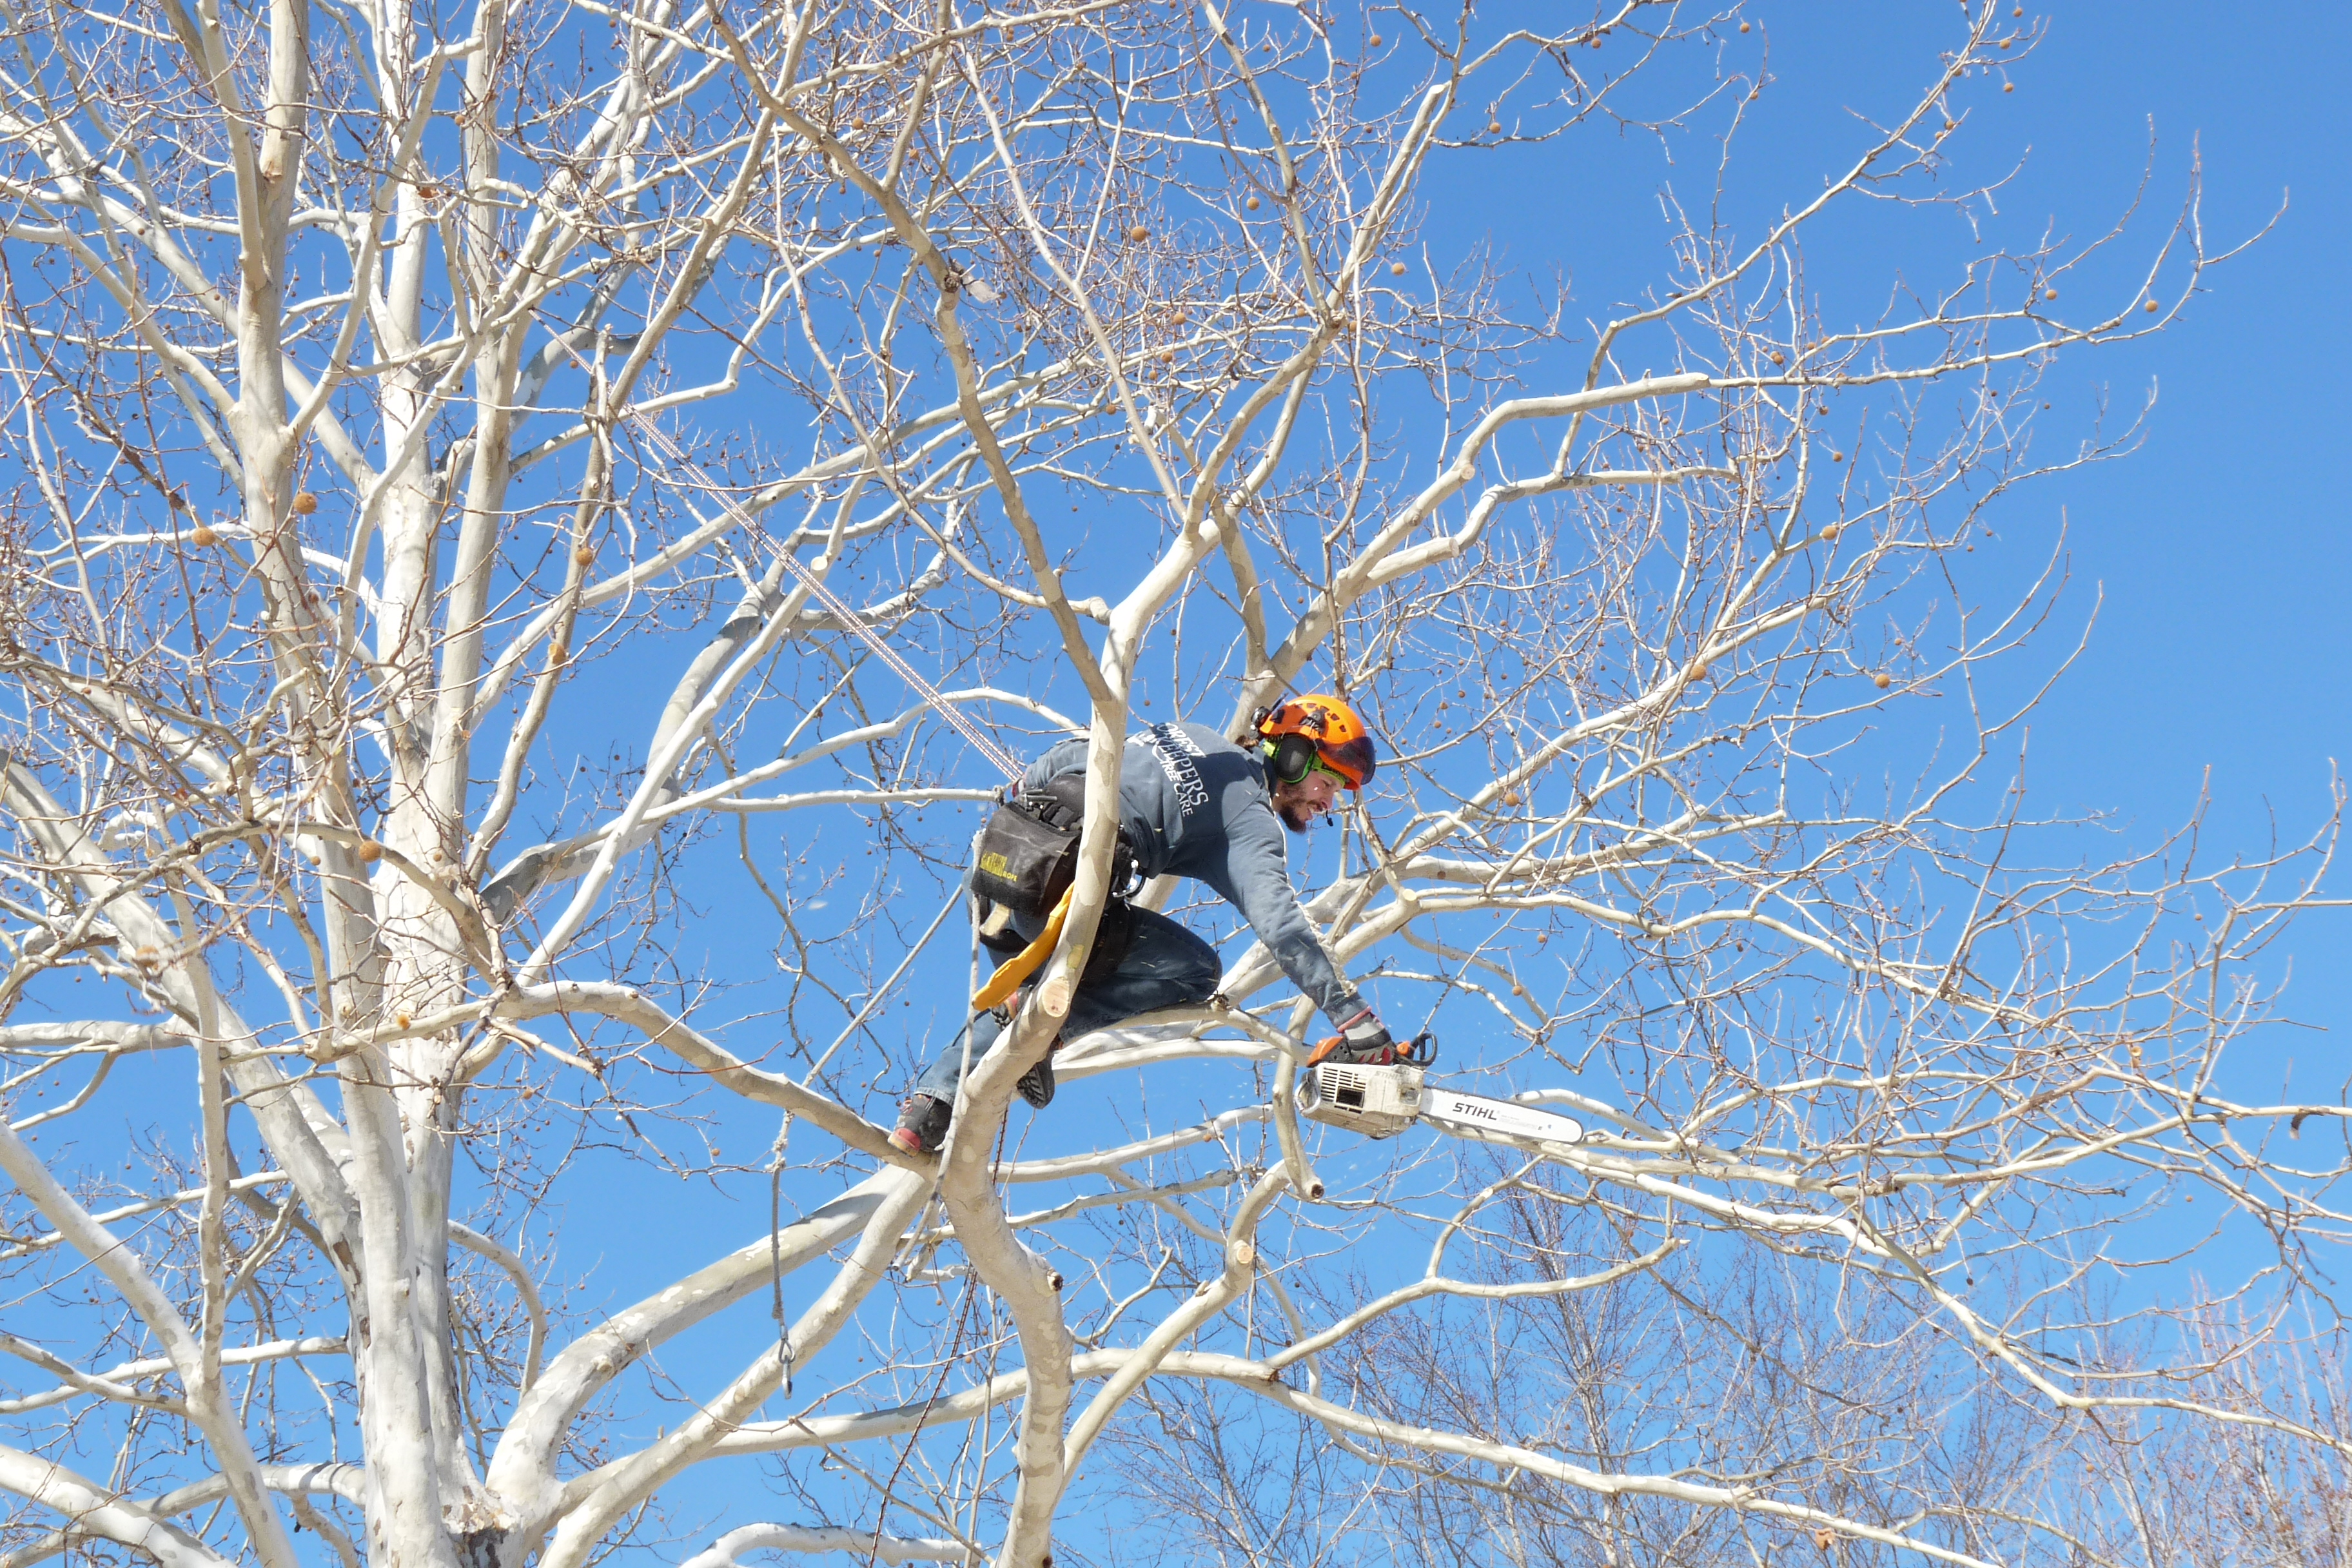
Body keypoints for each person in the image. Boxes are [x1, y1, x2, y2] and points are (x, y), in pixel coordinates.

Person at [890, 693, 1396, 1155]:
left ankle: (928, 1110)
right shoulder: (1250, 818)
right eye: (1327, 782)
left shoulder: (1190, 733)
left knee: (1022, 1003)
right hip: (1055, 899)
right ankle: (1037, 1027)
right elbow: (1283, 928)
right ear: (1291, 756)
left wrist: (1025, 796)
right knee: (1197, 972)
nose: (1328, 803)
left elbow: (1070, 755)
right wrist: (1356, 1019)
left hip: (994, 870)